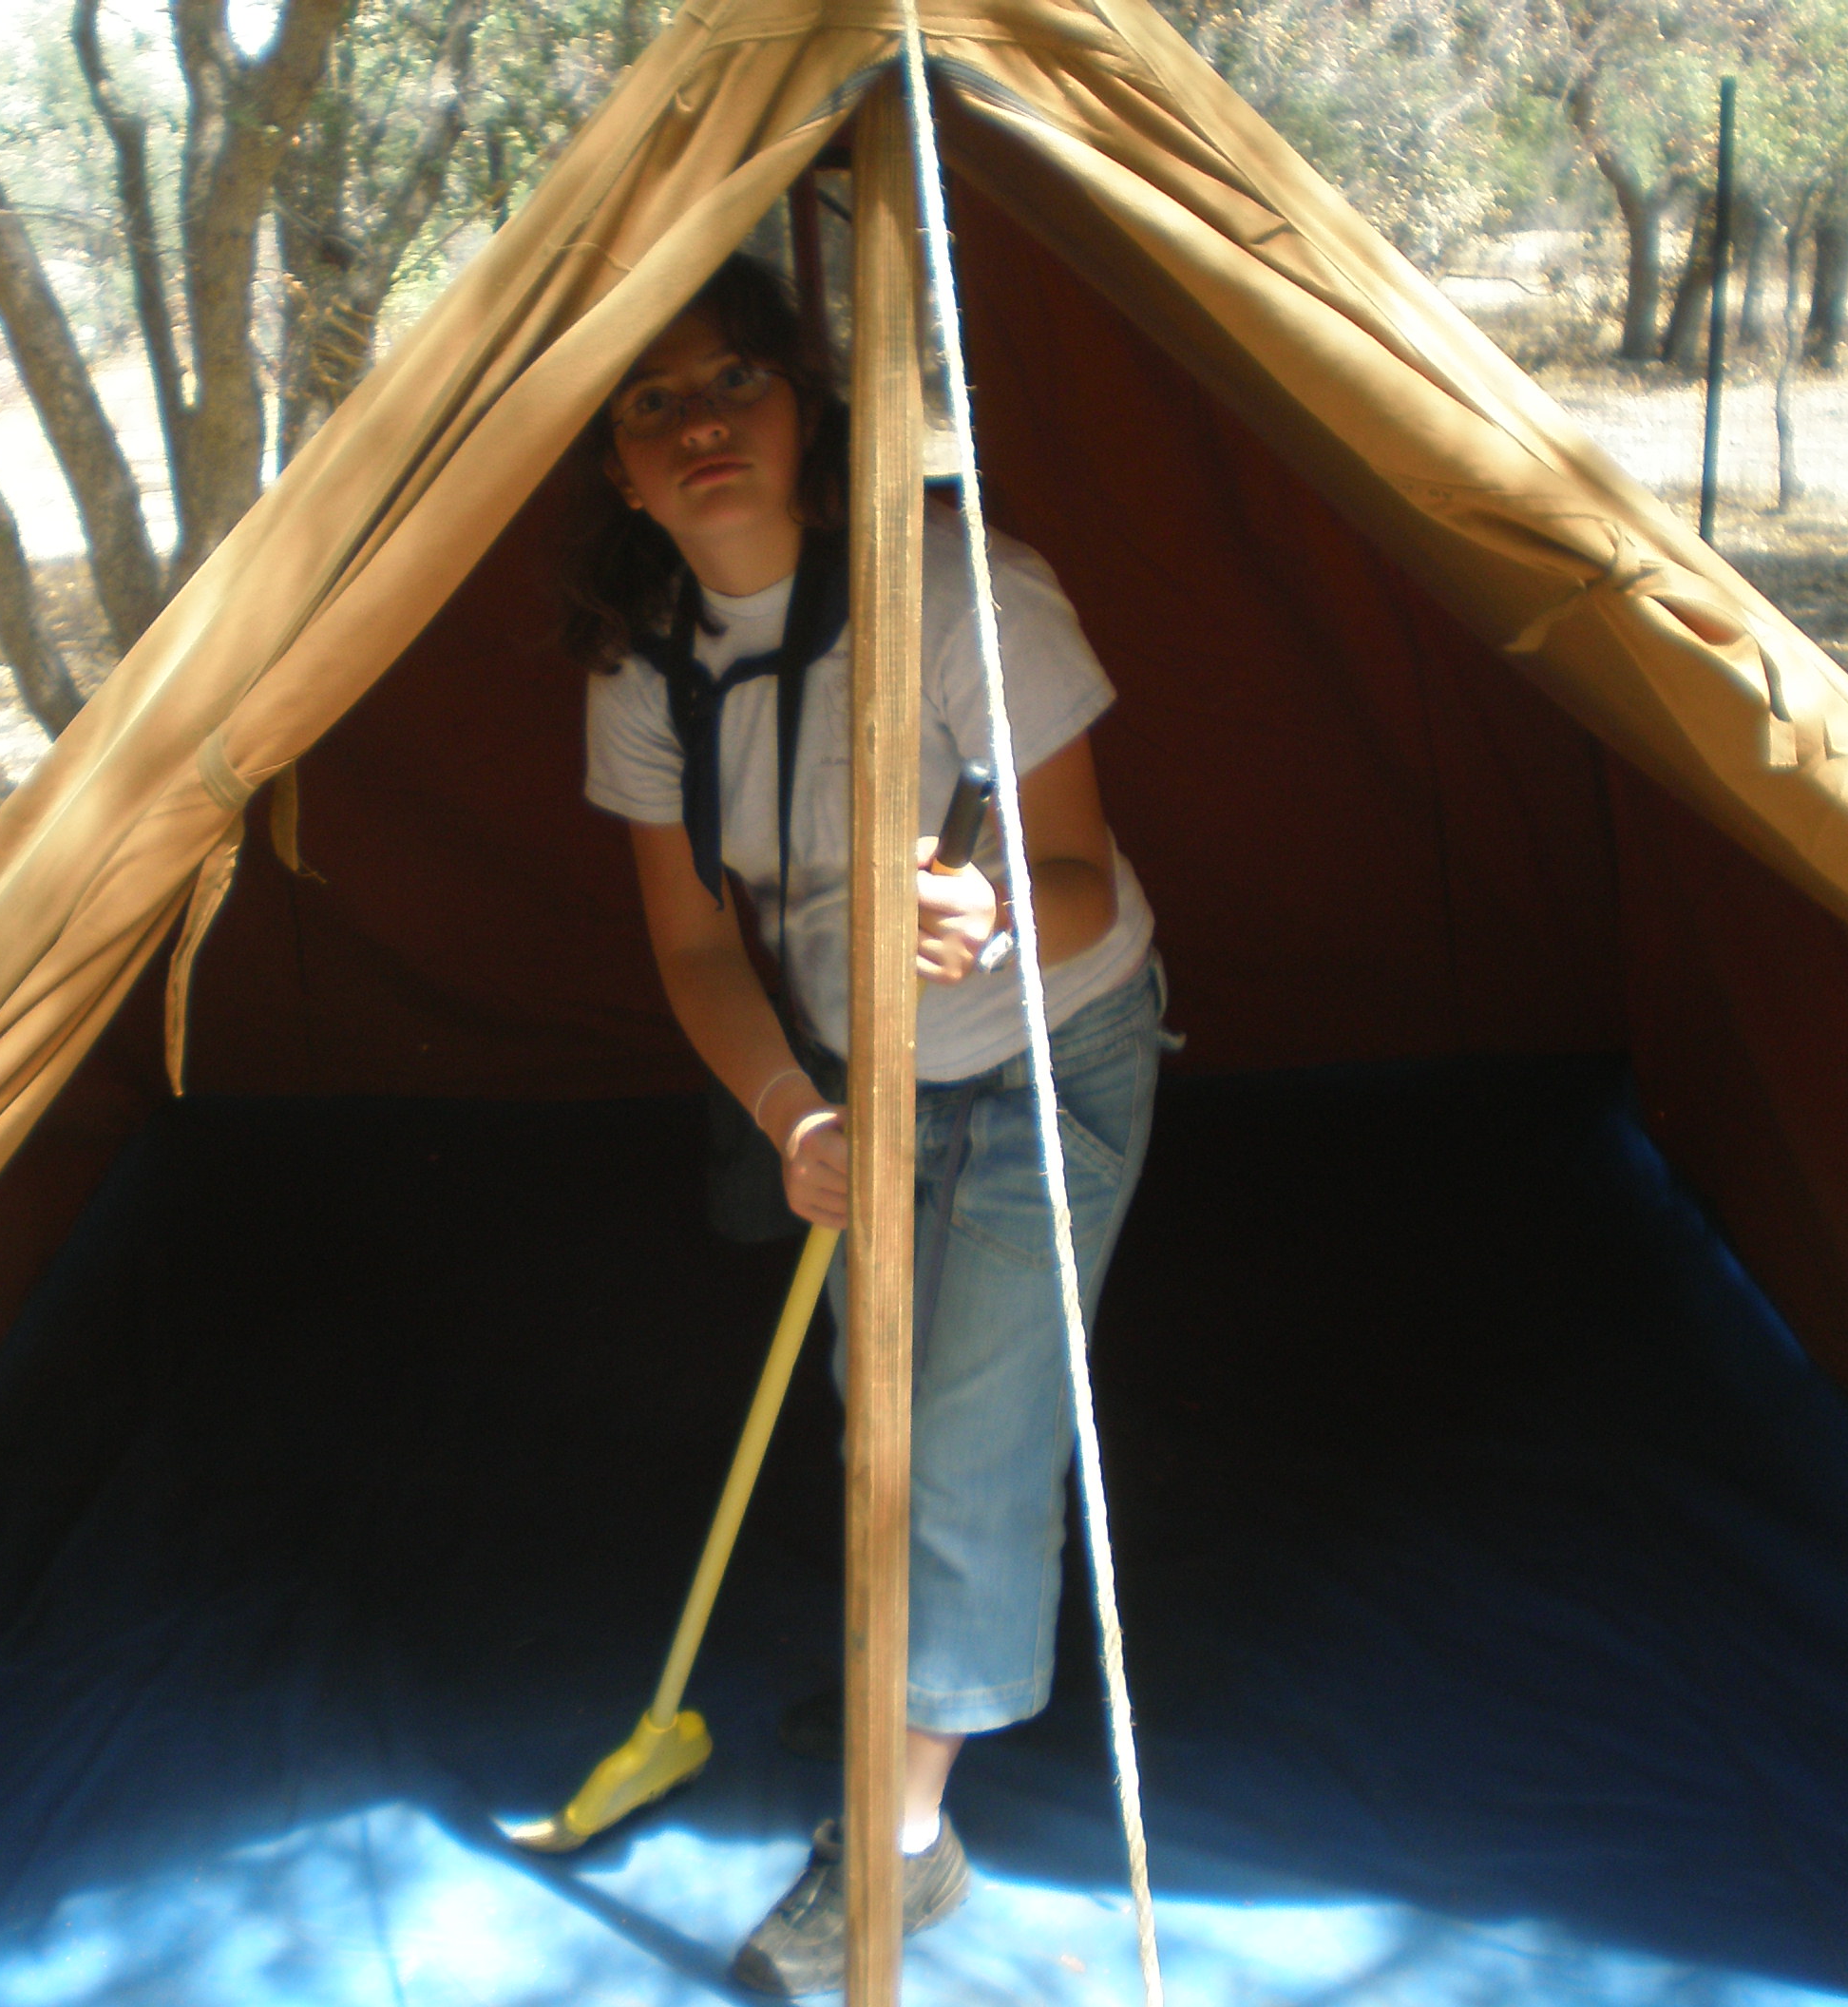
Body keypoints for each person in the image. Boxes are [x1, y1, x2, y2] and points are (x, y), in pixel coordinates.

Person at [574, 252, 1167, 1997]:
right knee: (880, 1420)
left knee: (969, 1438)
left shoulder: (963, 587)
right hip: (857, 1071)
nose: (700, 426)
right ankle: (904, 1713)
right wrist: (792, 1112)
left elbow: (1075, 873)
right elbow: (695, 946)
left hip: (1047, 1049)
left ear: (809, 409)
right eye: (654, 403)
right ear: (617, 467)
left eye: (734, 382)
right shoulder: (646, 671)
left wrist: (991, 915)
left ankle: (902, 1848)